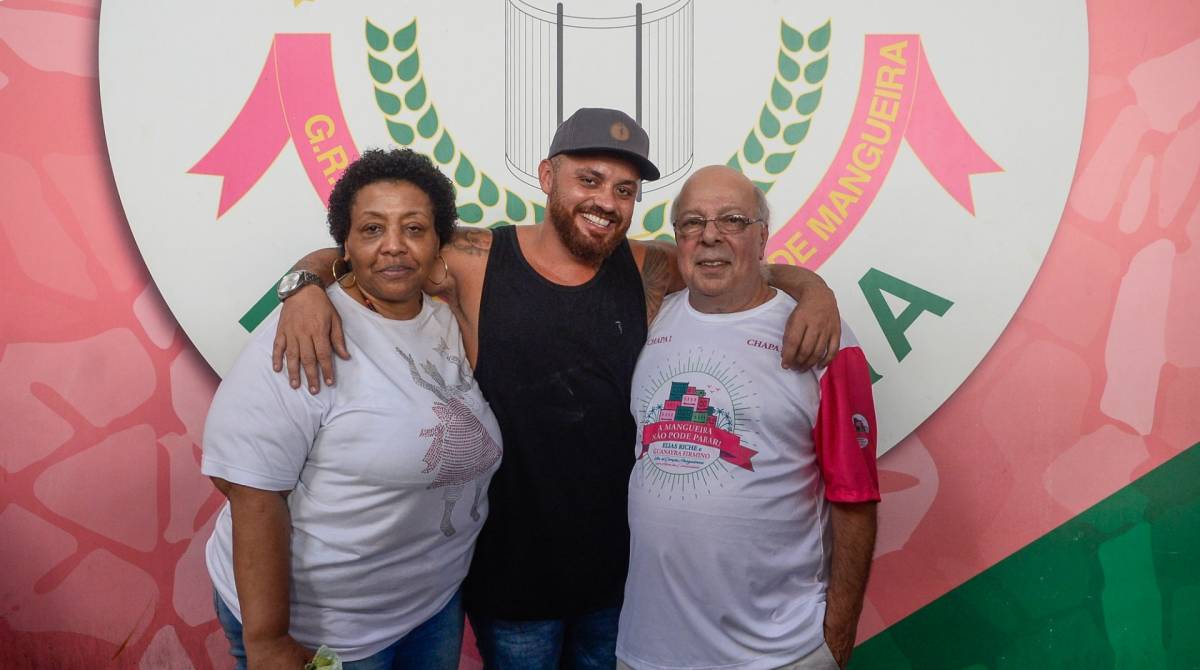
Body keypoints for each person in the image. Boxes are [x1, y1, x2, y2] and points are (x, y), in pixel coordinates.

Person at [271, 109, 843, 668]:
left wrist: (814, 289)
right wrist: (304, 283)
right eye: (588, 180)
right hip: (512, 579)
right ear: (547, 177)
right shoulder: (476, 259)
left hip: (618, 582)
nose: (605, 202)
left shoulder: (650, 267)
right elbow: (380, 249)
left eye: (624, 190)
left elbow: (739, 263)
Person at [202, 148, 502, 670]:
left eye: (414, 229)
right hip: (325, 630)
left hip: (429, 606)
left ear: (437, 245)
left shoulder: (446, 321)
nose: (393, 247)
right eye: (371, 230)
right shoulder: (305, 332)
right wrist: (269, 641)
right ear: (345, 241)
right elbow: (251, 490)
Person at [616, 166, 880, 670]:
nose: (710, 235)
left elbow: (855, 499)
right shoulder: (652, 316)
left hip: (776, 654)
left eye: (732, 220)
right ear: (677, 240)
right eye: (691, 223)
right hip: (646, 649)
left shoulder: (823, 338)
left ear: (763, 236)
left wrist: (836, 641)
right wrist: (810, 281)